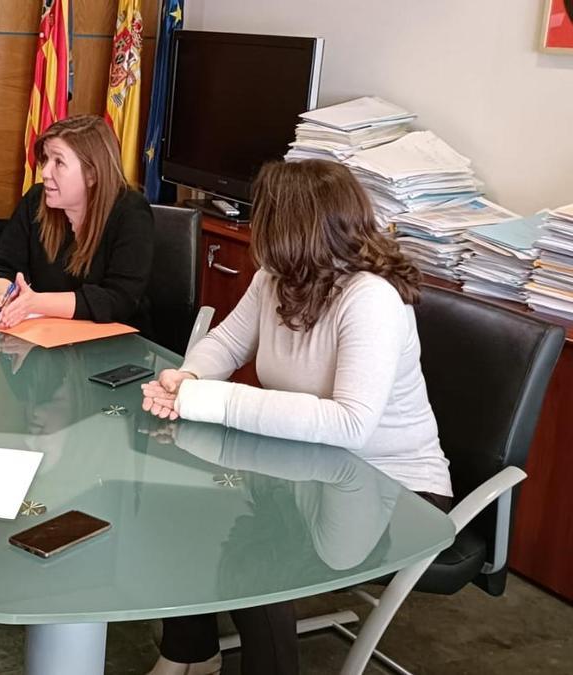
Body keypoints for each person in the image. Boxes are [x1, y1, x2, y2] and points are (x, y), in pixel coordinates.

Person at [140, 160, 453, 675]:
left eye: (265, 213)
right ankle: (190, 655)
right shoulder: (276, 278)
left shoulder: (370, 299)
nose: (256, 223)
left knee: (263, 560)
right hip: (307, 465)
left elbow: (350, 423)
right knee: (188, 508)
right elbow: (227, 341)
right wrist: (189, 378)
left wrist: (211, 401)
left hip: (392, 485)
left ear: (292, 227)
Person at [0, 114, 154, 332]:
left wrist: (36, 303)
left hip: (114, 347)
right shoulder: (36, 200)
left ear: (92, 174)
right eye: (46, 159)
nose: (46, 172)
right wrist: (7, 297)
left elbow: (119, 299)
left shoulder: (130, 212)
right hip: (47, 339)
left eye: (58, 162)